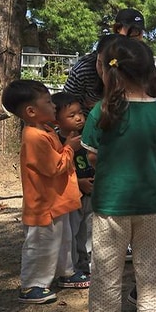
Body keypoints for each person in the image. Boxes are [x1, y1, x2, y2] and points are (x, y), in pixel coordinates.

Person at [81, 36, 156, 312]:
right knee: (148, 263)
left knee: (106, 263)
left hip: (110, 201)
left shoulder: (100, 110)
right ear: (150, 73)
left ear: (108, 72)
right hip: (152, 202)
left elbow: (92, 155)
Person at [1, 80, 88, 304]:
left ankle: (66, 272)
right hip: (43, 204)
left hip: (57, 200)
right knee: (41, 244)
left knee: (62, 240)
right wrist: (71, 147)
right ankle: (32, 285)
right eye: (49, 102)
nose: (54, 107)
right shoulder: (33, 137)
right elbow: (55, 166)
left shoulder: (46, 130)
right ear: (31, 111)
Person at [63, 8, 146, 114]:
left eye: (140, 32)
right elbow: (65, 104)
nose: (137, 38)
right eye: (133, 32)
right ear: (117, 29)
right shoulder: (85, 68)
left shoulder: (140, 66)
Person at [52, 91, 94, 276]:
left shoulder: (88, 135)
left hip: (92, 192)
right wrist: (78, 183)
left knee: (90, 230)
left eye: (80, 113)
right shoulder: (55, 141)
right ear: (57, 120)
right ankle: (71, 267)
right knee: (72, 232)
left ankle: (88, 263)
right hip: (72, 195)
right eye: (71, 115)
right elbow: (57, 169)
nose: (78, 118)